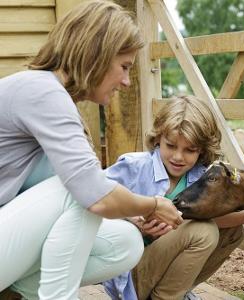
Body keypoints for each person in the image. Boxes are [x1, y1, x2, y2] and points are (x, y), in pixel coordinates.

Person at [0, 1, 183, 299]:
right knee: (82, 193)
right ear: (95, 54)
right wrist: (153, 205)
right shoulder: (43, 93)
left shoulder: (48, 94)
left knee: (125, 242)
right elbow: (95, 194)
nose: (125, 82)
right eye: (124, 67)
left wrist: (127, 214)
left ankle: (24, 292)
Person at [103, 96, 244, 300]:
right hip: (131, 273)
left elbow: (242, 216)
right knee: (203, 231)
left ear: (202, 150)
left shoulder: (202, 177)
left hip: (163, 266)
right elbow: (93, 197)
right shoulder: (134, 166)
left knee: (232, 231)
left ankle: (174, 292)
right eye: (170, 146)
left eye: (190, 150)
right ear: (158, 139)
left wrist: (180, 216)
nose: (178, 157)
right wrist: (133, 222)